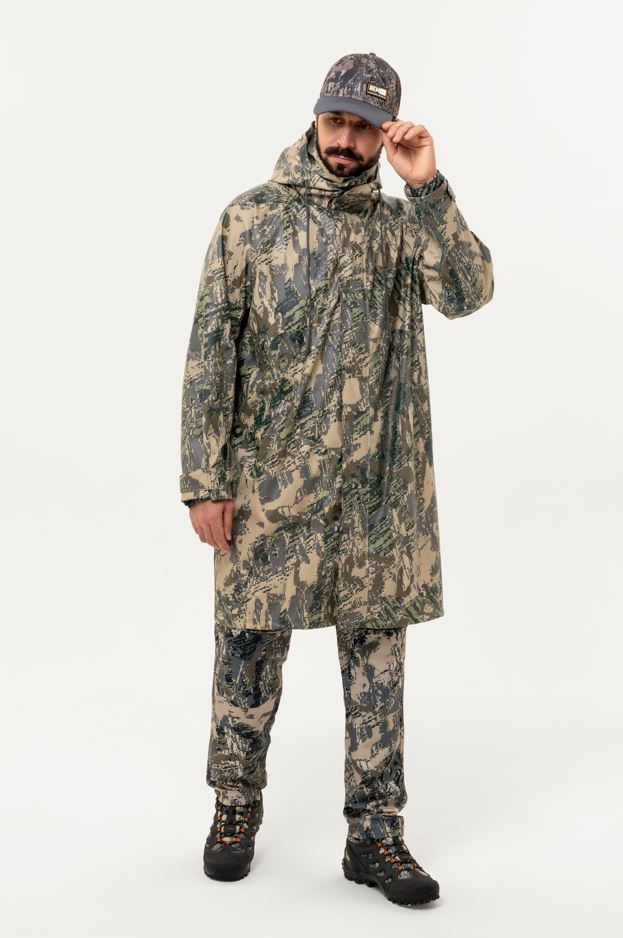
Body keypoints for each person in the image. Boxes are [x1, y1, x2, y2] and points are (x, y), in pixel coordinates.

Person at [179, 51, 494, 907]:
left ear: (385, 131)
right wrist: (204, 480)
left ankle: (375, 834)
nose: (345, 139)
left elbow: (468, 292)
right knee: (247, 650)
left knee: (377, 666)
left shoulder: (399, 227)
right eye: (335, 121)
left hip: (378, 495)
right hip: (269, 490)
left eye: (363, 126)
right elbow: (211, 354)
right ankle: (234, 807)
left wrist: (427, 188)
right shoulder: (250, 219)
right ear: (315, 117)